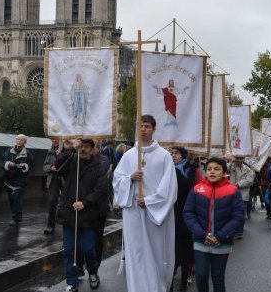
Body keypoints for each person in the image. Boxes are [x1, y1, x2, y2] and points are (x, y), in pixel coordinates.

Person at [113, 115, 178, 292]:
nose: (143, 129)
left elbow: (170, 189)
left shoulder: (164, 156)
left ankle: (157, 287)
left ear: (154, 129)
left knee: (155, 252)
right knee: (136, 253)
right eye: (140, 126)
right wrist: (130, 178)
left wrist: (149, 201)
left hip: (154, 213)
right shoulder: (128, 156)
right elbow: (117, 182)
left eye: (147, 126)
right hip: (133, 210)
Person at [183, 157, 244, 292]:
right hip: (200, 242)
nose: (212, 172)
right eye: (209, 169)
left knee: (218, 277)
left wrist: (221, 236)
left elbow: (238, 217)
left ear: (224, 172)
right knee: (201, 275)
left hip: (222, 243)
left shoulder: (233, 191)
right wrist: (201, 234)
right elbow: (188, 213)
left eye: (217, 169)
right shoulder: (196, 190)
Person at [55, 138, 109, 292]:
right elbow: (58, 167)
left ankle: (93, 272)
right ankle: (72, 282)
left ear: (92, 149)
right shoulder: (72, 162)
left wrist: (85, 202)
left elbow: (101, 190)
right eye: (81, 147)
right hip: (69, 213)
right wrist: (71, 149)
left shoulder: (98, 167)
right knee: (69, 251)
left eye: (86, 147)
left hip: (88, 215)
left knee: (87, 249)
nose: (83, 149)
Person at [170, 146, 196, 292]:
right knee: (171, 250)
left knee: (185, 251)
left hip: (185, 215)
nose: (173, 155)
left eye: (177, 153)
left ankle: (184, 278)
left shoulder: (190, 170)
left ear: (183, 155)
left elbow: (190, 187)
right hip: (169, 215)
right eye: (172, 153)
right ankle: (170, 278)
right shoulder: (166, 168)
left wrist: (174, 171)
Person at [0, 134, 34, 225]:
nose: (19, 141)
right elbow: (2, 161)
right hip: (9, 180)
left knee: (17, 199)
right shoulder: (9, 151)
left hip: (20, 180)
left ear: (24, 142)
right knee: (11, 199)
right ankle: (15, 216)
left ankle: (16, 218)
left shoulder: (28, 154)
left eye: (21, 140)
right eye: (17, 139)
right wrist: (7, 164)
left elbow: (31, 166)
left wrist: (24, 166)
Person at [43, 139, 67, 235]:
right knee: (52, 201)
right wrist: (50, 167)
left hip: (66, 179)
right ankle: (50, 225)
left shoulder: (67, 150)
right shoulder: (50, 151)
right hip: (54, 179)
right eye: (53, 139)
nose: (55, 141)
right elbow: (44, 167)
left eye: (57, 139)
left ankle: (68, 224)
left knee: (67, 201)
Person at [227, 156, 254, 238]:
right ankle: (231, 229)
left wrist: (238, 184)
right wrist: (231, 162)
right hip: (229, 194)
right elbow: (223, 169)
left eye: (241, 158)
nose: (239, 160)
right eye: (237, 158)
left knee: (240, 214)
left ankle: (239, 231)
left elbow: (250, 180)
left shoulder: (248, 169)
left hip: (242, 195)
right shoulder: (229, 166)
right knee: (229, 213)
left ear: (243, 159)